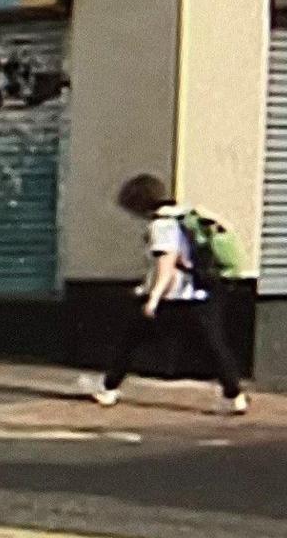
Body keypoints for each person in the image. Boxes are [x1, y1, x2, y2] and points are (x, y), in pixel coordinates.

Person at [90, 173, 247, 413]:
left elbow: (167, 263)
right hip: (201, 293)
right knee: (214, 346)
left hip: (172, 297)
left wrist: (153, 298)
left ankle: (108, 388)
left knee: (130, 341)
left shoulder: (161, 225)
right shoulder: (185, 215)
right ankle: (234, 395)